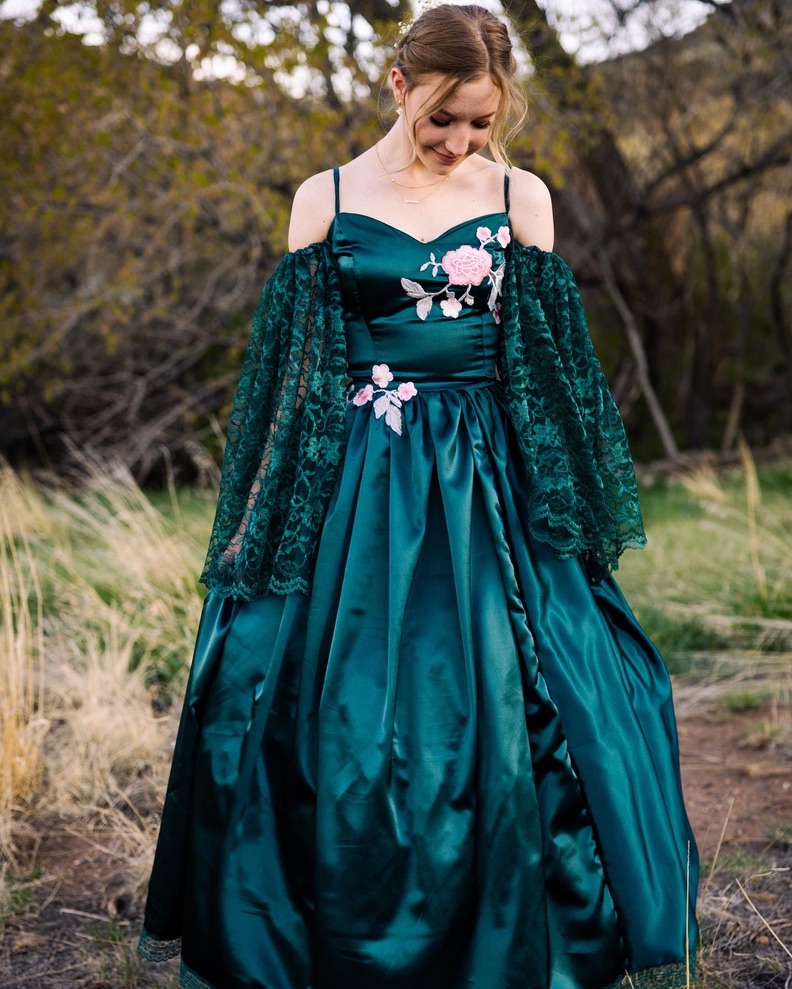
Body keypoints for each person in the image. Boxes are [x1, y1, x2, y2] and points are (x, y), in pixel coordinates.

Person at [138, 5, 698, 988]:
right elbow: (293, 379)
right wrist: (278, 510)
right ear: (399, 87)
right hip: (360, 470)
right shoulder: (327, 198)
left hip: (486, 482)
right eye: (443, 116)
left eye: (478, 122)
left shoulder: (520, 196)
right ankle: (319, 931)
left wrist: (557, 502)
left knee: (516, 692)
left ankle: (517, 932)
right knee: (316, 694)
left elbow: (545, 372)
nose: (459, 140)